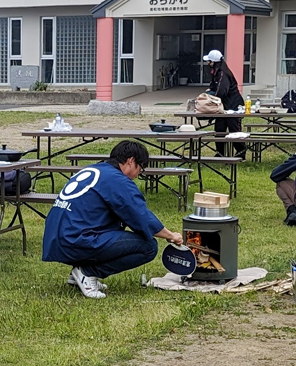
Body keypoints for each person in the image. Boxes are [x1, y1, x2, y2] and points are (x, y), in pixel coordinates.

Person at [42, 140, 183, 299]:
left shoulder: (95, 169)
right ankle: (87, 273)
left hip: (55, 239)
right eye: (140, 169)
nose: (138, 175)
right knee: (148, 246)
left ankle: (79, 273)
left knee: (116, 232)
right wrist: (171, 236)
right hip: (74, 240)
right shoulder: (117, 180)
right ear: (131, 161)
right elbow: (141, 217)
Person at [204, 50, 244, 157]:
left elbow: (222, 91)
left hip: (233, 105)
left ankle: (241, 151)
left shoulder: (223, 73)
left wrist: (212, 99)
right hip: (224, 106)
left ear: (214, 62)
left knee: (234, 130)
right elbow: (214, 87)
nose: (208, 63)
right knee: (219, 129)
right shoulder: (216, 72)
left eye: (210, 61)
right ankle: (220, 153)